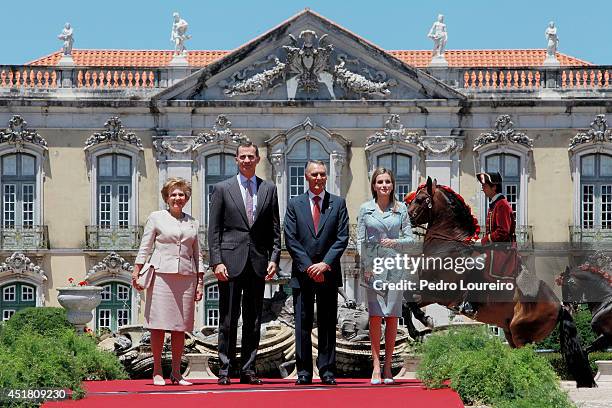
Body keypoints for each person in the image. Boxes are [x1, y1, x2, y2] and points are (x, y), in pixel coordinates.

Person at [208, 141, 281, 385]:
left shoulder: (269, 188)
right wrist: (216, 261)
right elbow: (214, 230)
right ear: (236, 160)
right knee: (228, 319)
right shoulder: (222, 188)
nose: (247, 160)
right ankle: (225, 369)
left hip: (258, 262)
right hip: (229, 263)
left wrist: (274, 259)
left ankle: (248, 370)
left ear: (258, 159)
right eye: (243, 157)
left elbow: (274, 229)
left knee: (254, 320)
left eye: (251, 156)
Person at [132, 177, 205, 386]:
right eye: (173, 194)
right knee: (158, 325)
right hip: (161, 276)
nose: (177, 198)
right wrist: (136, 272)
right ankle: (156, 370)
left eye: (181, 194)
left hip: (186, 278)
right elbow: (145, 247)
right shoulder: (156, 217)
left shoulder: (193, 222)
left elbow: (197, 254)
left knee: (179, 326)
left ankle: (176, 372)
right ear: (166, 197)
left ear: (186, 198)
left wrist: (200, 282)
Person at [284, 160, 349, 386]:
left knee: (328, 323)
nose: (319, 178)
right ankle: (303, 371)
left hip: (328, 273)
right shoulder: (294, 204)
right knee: (302, 322)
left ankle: (327, 370)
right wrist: (309, 266)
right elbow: (290, 238)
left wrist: (324, 265)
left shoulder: (338, 203)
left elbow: (342, 238)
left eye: (322, 174)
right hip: (303, 274)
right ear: (306, 177)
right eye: (314, 174)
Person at [357, 168, 415, 385]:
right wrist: (366, 265)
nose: (384, 185)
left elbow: (411, 238)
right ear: (374, 185)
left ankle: (388, 366)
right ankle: (375, 366)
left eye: (388, 181)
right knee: (374, 315)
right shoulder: (365, 209)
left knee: (391, 315)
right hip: (373, 266)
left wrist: (396, 242)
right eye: (380, 181)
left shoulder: (401, 210)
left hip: (395, 266)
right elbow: (360, 240)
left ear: (393, 185)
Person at [459, 171, 518, 316]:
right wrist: (476, 241)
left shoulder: (502, 205)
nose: (483, 189)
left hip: (503, 251)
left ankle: (473, 304)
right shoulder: (495, 204)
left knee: (474, 263)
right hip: (494, 247)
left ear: (494, 187)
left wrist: (482, 241)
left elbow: (503, 232)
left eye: (485, 186)